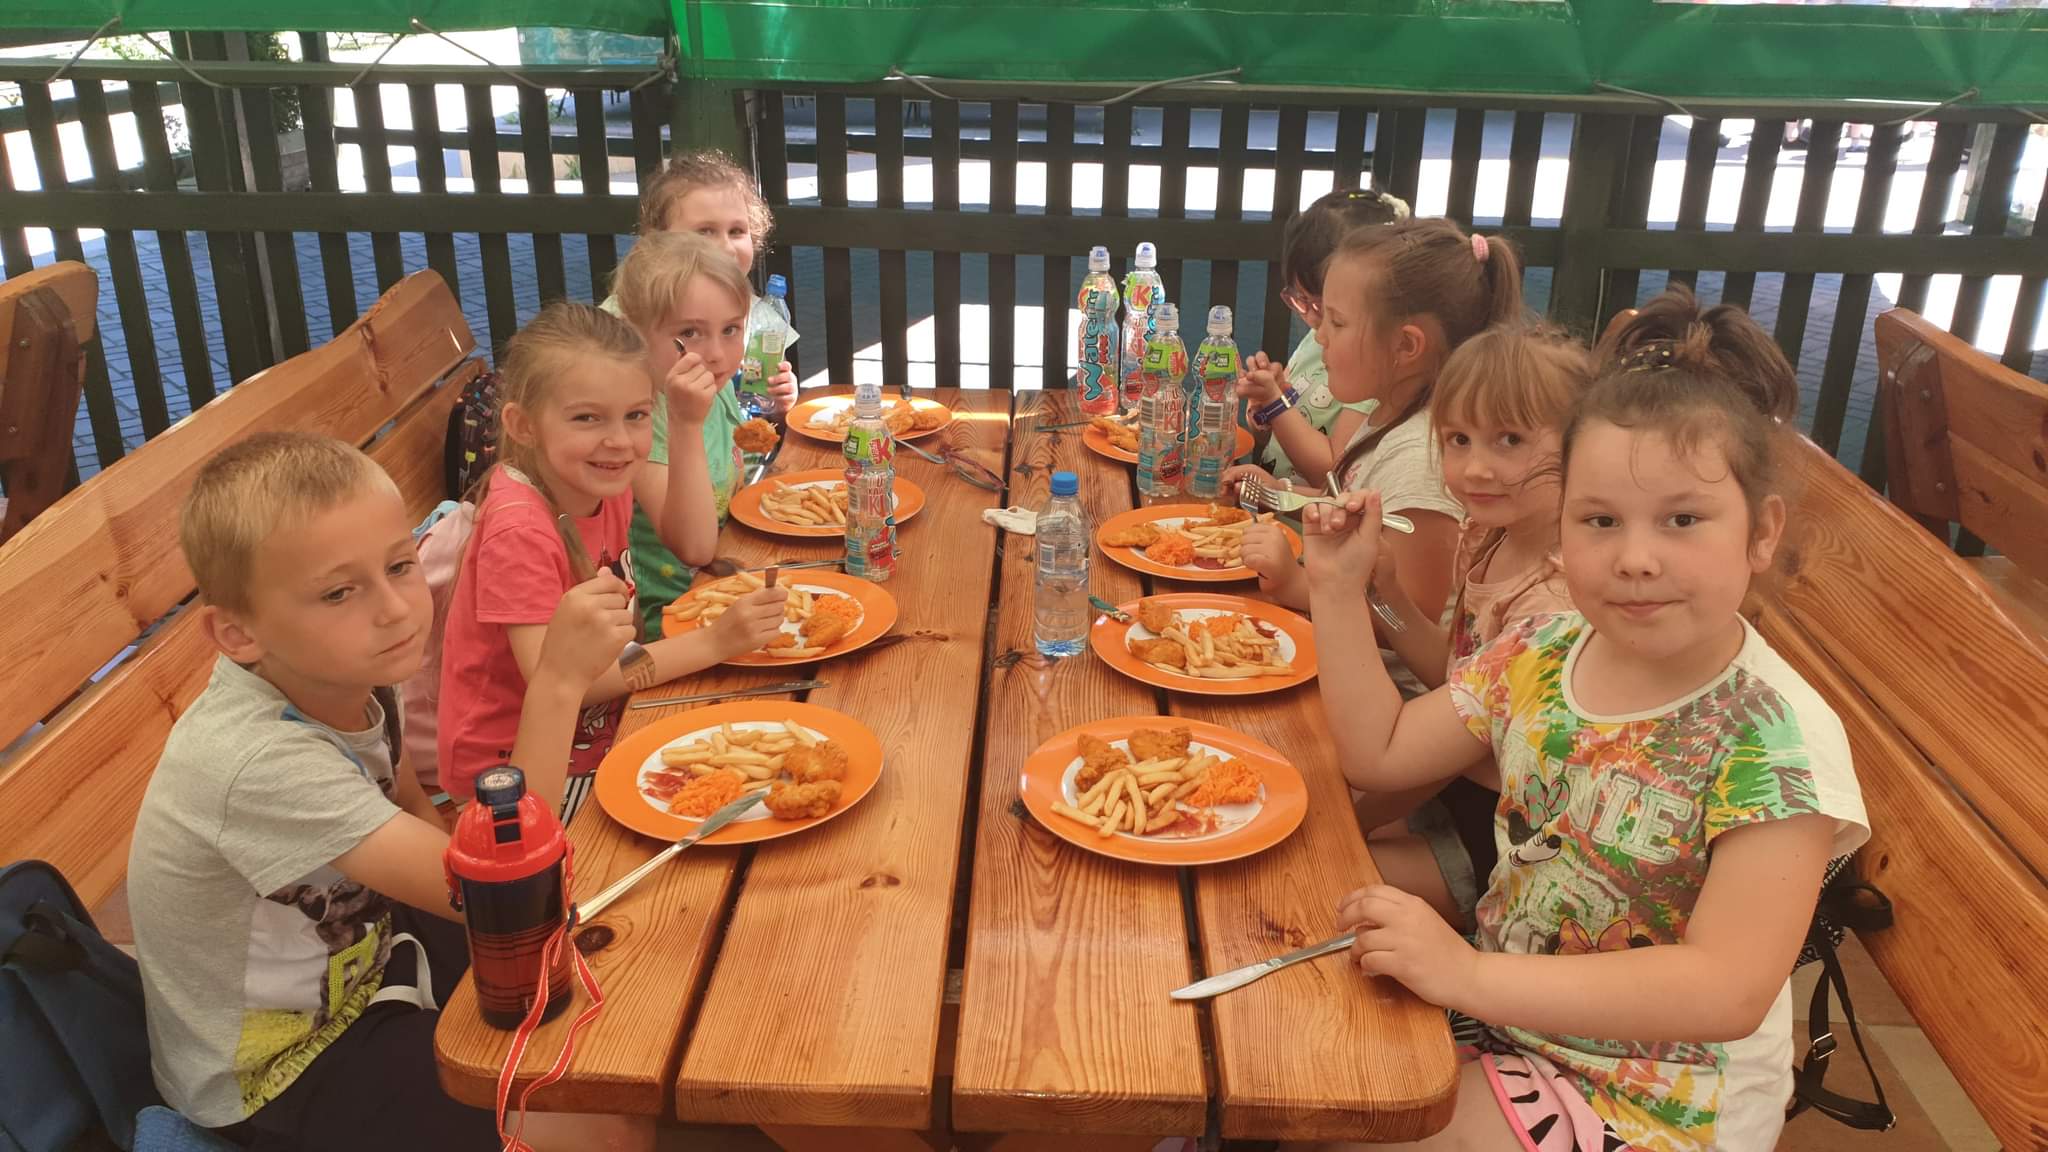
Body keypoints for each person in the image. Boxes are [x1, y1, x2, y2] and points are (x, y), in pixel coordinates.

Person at [1290, 288, 1869, 1152]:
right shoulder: (1543, 650)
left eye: (1683, 520)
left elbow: (1725, 988)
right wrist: (1338, 589)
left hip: (1657, 1097)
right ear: (1562, 523)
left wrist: (1468, 974)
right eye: (1600, 520)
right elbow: (1382, 752)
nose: (1635, 558)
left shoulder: (1773, 739)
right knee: (1291, 1058)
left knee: (1347, 1125)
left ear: (1761, 531)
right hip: (1508, 1019)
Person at [127, 431, 651, 1152]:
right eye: (338, 592)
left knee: (623, 995)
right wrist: (558, 681)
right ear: (237, 633)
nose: (397, 609)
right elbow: (504, 894)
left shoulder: (350, 672)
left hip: (381, 957)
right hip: (284, 1068)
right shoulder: (259, 762)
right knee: (604, 1126)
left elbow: (412, 804)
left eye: (401, 566)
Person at [437, 302, 786, 814]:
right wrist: (715, 641)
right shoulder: (519, 529)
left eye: (636, 415)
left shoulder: (606, 482)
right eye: (587, 418)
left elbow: (690, 551)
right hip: (512, 783)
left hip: (601, 727)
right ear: (523, 425)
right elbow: (568, 684)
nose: (619, 441)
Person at [1357, 324, 1591, 930]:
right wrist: (1382, 594)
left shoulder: (1553, 604)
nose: (1476, 467)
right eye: (1458, 439)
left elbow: (1437, 754)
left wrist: (1352, 822)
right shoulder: (1493, 534)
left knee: (1316, 878)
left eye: (1509, 439)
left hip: (1499, 842)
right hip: (1443, 792)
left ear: (1581, 445)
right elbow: (1452, 671)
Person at [1236, 217, 1522, 696]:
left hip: (1387, 697)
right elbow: (1354, 510)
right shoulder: (1387, 413)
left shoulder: (1420, 462)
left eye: (1337, 322)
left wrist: (1295, 585)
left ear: (1406, 345)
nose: (1320, 337)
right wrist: (1279, 494)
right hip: (1336, 657)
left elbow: (1405, 620)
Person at [614, 149, 799, 633]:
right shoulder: (644, 408)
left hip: (731, 578)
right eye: (691, 332)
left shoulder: (706, 375)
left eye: (731, 329)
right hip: (676, 618)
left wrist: (775, 414)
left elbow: (736, 463)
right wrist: (685, 421)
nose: (717, 353)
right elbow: (694, 548)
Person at [1236, 186, 1408, 490]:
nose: (1318, 325)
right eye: (1300, 299)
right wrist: (1265, 407)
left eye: (1329, 313)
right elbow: (1283, 434)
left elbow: (1332, 474)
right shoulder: (1316, 338)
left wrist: (1276, 405)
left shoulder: (1374, 370)